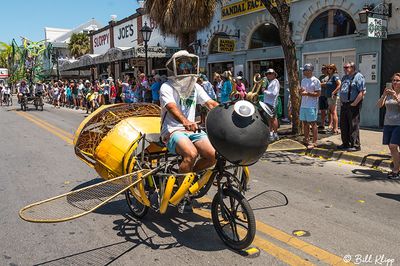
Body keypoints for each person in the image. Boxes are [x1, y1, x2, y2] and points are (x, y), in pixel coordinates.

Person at [160, 50, 219, 176]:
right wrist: (185, 121)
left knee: (213, 155)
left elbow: (210, 103)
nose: (186, 69)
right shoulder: (166, 86)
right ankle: (182, 192)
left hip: (193, 130)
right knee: (191, 154)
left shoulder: (195, 87)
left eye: (188, 65)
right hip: (173, 130)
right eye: (182, 65)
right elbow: (171, 107)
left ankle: (189, 176)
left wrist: (228, 111)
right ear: (175, 68)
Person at [337, 62, 366, 152]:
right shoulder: (345, 77)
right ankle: (345, 143)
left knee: (353, 125)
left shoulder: (358, 76)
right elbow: (342, 89)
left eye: (347, 67)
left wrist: (355, 103)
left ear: (353, 67)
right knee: (343, 124)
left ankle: (356, 145)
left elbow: (362, 92)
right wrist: (341, 100)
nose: (345, 69)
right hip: (344, 104)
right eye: (344, 67)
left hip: (353, 104)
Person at [377, 73, 400, 179]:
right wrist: (384, 95)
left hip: (398, 124)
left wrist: (396, 97)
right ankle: (397, 167)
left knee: (393, 146)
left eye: (398, 80)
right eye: (394, 80)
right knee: (392, 148)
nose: (395, 82)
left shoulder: (396, 95)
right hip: (388, 124)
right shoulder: (389, 93)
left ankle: (396, 170)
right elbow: (379, 105)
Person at [299, 64, 321, 149]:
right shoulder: (303, 80)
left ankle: (315, 141)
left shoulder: (316, 81)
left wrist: (307, 93)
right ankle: (306, 139)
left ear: (309, 71)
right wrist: (301, 91)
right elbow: (301, 93)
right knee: (304, 123)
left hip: (311, 106)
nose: (303, 72)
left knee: (313, 123)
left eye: (304, 70)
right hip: (303, 105)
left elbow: (318, 94)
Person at [322, 64, 341, 134]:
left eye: (331, 68)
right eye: (328, 68)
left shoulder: (335, 76)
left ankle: (335, 128)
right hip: (329, 96)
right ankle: (333, 127)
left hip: (333, 96)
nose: (329, 69)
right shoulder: (329, 76)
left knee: (333, 112)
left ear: (334, 69)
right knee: (331, 112)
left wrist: (334, 92)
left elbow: (339, 84)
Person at [263, 68, 280, 141]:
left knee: (273, 119)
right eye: (267, 74)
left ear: (274, 74)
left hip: (271, 103)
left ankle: (275, 134)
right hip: (268, 103)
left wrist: (265, 91)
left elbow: (274, 93)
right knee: (269, 119)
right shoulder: (271, 82)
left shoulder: (275, 82)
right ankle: (271, 133)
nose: (268, 75)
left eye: (270, 73)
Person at [318, 65, 329, 130]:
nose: (322, 70)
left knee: (329, 111)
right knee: (322, 110)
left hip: (327, 96)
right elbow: (317, 84)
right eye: (322, 69)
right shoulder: (321, 77)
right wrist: (323, 84)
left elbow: (327, 85)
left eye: (324, 69)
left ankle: (330, 124)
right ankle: (322, 124)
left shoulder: (329, 77)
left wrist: (322, 84)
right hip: (321, 95)